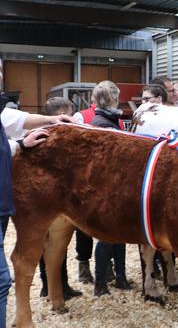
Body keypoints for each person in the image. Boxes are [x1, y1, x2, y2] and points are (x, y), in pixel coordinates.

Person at [0, 58, 53, 328]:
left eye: (0, 71)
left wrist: (19, 143)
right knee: (1, 280)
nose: (0, 76)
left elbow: (13, 120)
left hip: (1, 204)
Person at [90, 81, 133, 296]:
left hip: (115, 186)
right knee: (107, 237)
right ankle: (101, 283)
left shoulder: (108, 119)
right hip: (108, 187)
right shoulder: (104, 123)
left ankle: (120, 277)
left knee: (118, 235)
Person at [37, 98, 83, 301]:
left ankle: (51, 286)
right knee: (54, 244)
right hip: (54, 196)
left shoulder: (37, 132)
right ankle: (55, 286)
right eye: (70, 112)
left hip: (43, 196)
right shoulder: (56, 135)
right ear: (63, 112)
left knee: (47, 242)